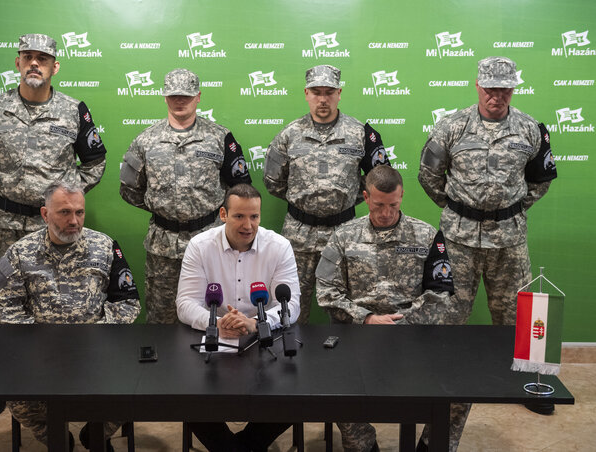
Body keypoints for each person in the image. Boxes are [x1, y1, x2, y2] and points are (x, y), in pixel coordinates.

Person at [0, 32, 107, 419]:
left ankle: (68, 374)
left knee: (62, 301)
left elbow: (95, 163)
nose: (34, 64)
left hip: (59, 228)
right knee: (7, 302)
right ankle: (6, 383)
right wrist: (2, 189)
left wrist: (66, 200)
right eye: (28, 56)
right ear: (17, 62)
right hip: (10, 222)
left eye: (43, 58)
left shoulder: (75, 110)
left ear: (55, 66)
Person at [418, 57, 557, 417]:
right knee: (447, 313)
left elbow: (540, 180)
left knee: (517, 317)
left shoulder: (530, 129)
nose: (497, 96)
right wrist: (460, 209)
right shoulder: (451, 126)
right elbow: (428, 176)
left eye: (504, 88)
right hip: (459, 239)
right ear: (477, 85)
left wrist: (508, 209)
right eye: (490, 87)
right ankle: (438, 381)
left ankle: (529, 385)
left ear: (513, 88)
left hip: (509, 240)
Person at [316, 165, 462, 451]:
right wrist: (366, 318)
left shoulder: (427, 235)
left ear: (402, 196)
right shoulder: (343, 236)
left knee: (460, 389)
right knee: (335, 386)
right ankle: (364, 445)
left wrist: (402, 322)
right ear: (366, 197)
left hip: (413, 336)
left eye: (393, 205)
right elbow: (326, 292)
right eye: (379, 205)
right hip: (358, 336)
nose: (386, 213)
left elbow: (441, 293)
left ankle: (431, 445)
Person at [0, 181, 140, 450]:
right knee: (20, 402)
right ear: (45, 214)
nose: (74, 221)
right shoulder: (20, 252)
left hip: (97, 350)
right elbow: (3, 305)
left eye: (79, 212)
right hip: (40, 355)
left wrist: (100, 336)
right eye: (64, 212)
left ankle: (96, 436)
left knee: (132, 392)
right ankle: (56, 439)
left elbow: (127, 301)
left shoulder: (104, 247)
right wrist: (36, 341)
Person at [120, 68, 252, 325]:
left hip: (210, 241)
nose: (180, 101)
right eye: (173, 95)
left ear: (198, 96)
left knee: (215, 314)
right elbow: (129, 189)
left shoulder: (220, 138)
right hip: (163, 246)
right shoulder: (145, 141)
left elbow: (239, 189)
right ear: (164, 96)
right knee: (162, 318)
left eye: (186, 95)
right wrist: (165, 209)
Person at [176, 184, 300, 451]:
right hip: (217, 337)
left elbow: (291, 305)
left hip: (264, 337)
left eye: (254, 217)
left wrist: (257, 323)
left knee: (294, 398)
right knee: (185, 398)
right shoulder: (199, 246)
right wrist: (218, 323)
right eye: (239, 216)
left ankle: (245, 445)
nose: (248, 225)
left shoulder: (279, 247)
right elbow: (186, 303)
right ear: (223, 214)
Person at [263, 64, 389, 324]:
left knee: (349, 310)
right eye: (316, 92)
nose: (323, 99)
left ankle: (349, 363)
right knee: (290, 310)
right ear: (306, 93)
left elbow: (379, 181)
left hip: (346, 233)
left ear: (339, 93)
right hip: (299, 235)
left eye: (329, 92)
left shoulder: (362, 134)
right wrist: (305, 202)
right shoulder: (289, 135)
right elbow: (274, 182)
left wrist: (344, 201)